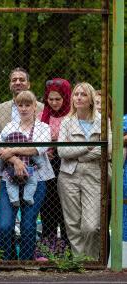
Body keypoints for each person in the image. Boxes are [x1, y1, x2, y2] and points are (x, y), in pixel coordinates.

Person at [0, 90, 54, 260]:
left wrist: (11, 150)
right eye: (20, 105)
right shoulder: (9, 126)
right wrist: (15, 160)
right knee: (5, 225)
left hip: (37, 179)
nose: (24, 108)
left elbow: (38, 148)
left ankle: (26, 262)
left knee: (28, 225)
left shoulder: (44, 127)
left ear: (35, 106)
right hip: (9, 178)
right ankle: (7, 260)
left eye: (28, 105)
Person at [57, 82, 110, 260]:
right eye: (76, 94)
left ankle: (92, 262)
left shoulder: (103, 121)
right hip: (68, 176)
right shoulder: (66, 122)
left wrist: (77, 152)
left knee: (91, 225)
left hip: (94, 174)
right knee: (72, 224)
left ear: (90, 100)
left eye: (83, 94)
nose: (78, 97)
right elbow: (62, 151)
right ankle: (80, 263)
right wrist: (88, 147)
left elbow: (107, 149)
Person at [35, 78, 71, 260]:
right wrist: (46, 150)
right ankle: (47, 252)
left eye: (58, 99)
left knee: (65, 209)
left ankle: (66, 252)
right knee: (48, 208)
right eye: (51, 99)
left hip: (67, 166)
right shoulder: (45, 115)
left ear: (66, 98)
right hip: (47, 167)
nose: (54, 103)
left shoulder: (71, 116)